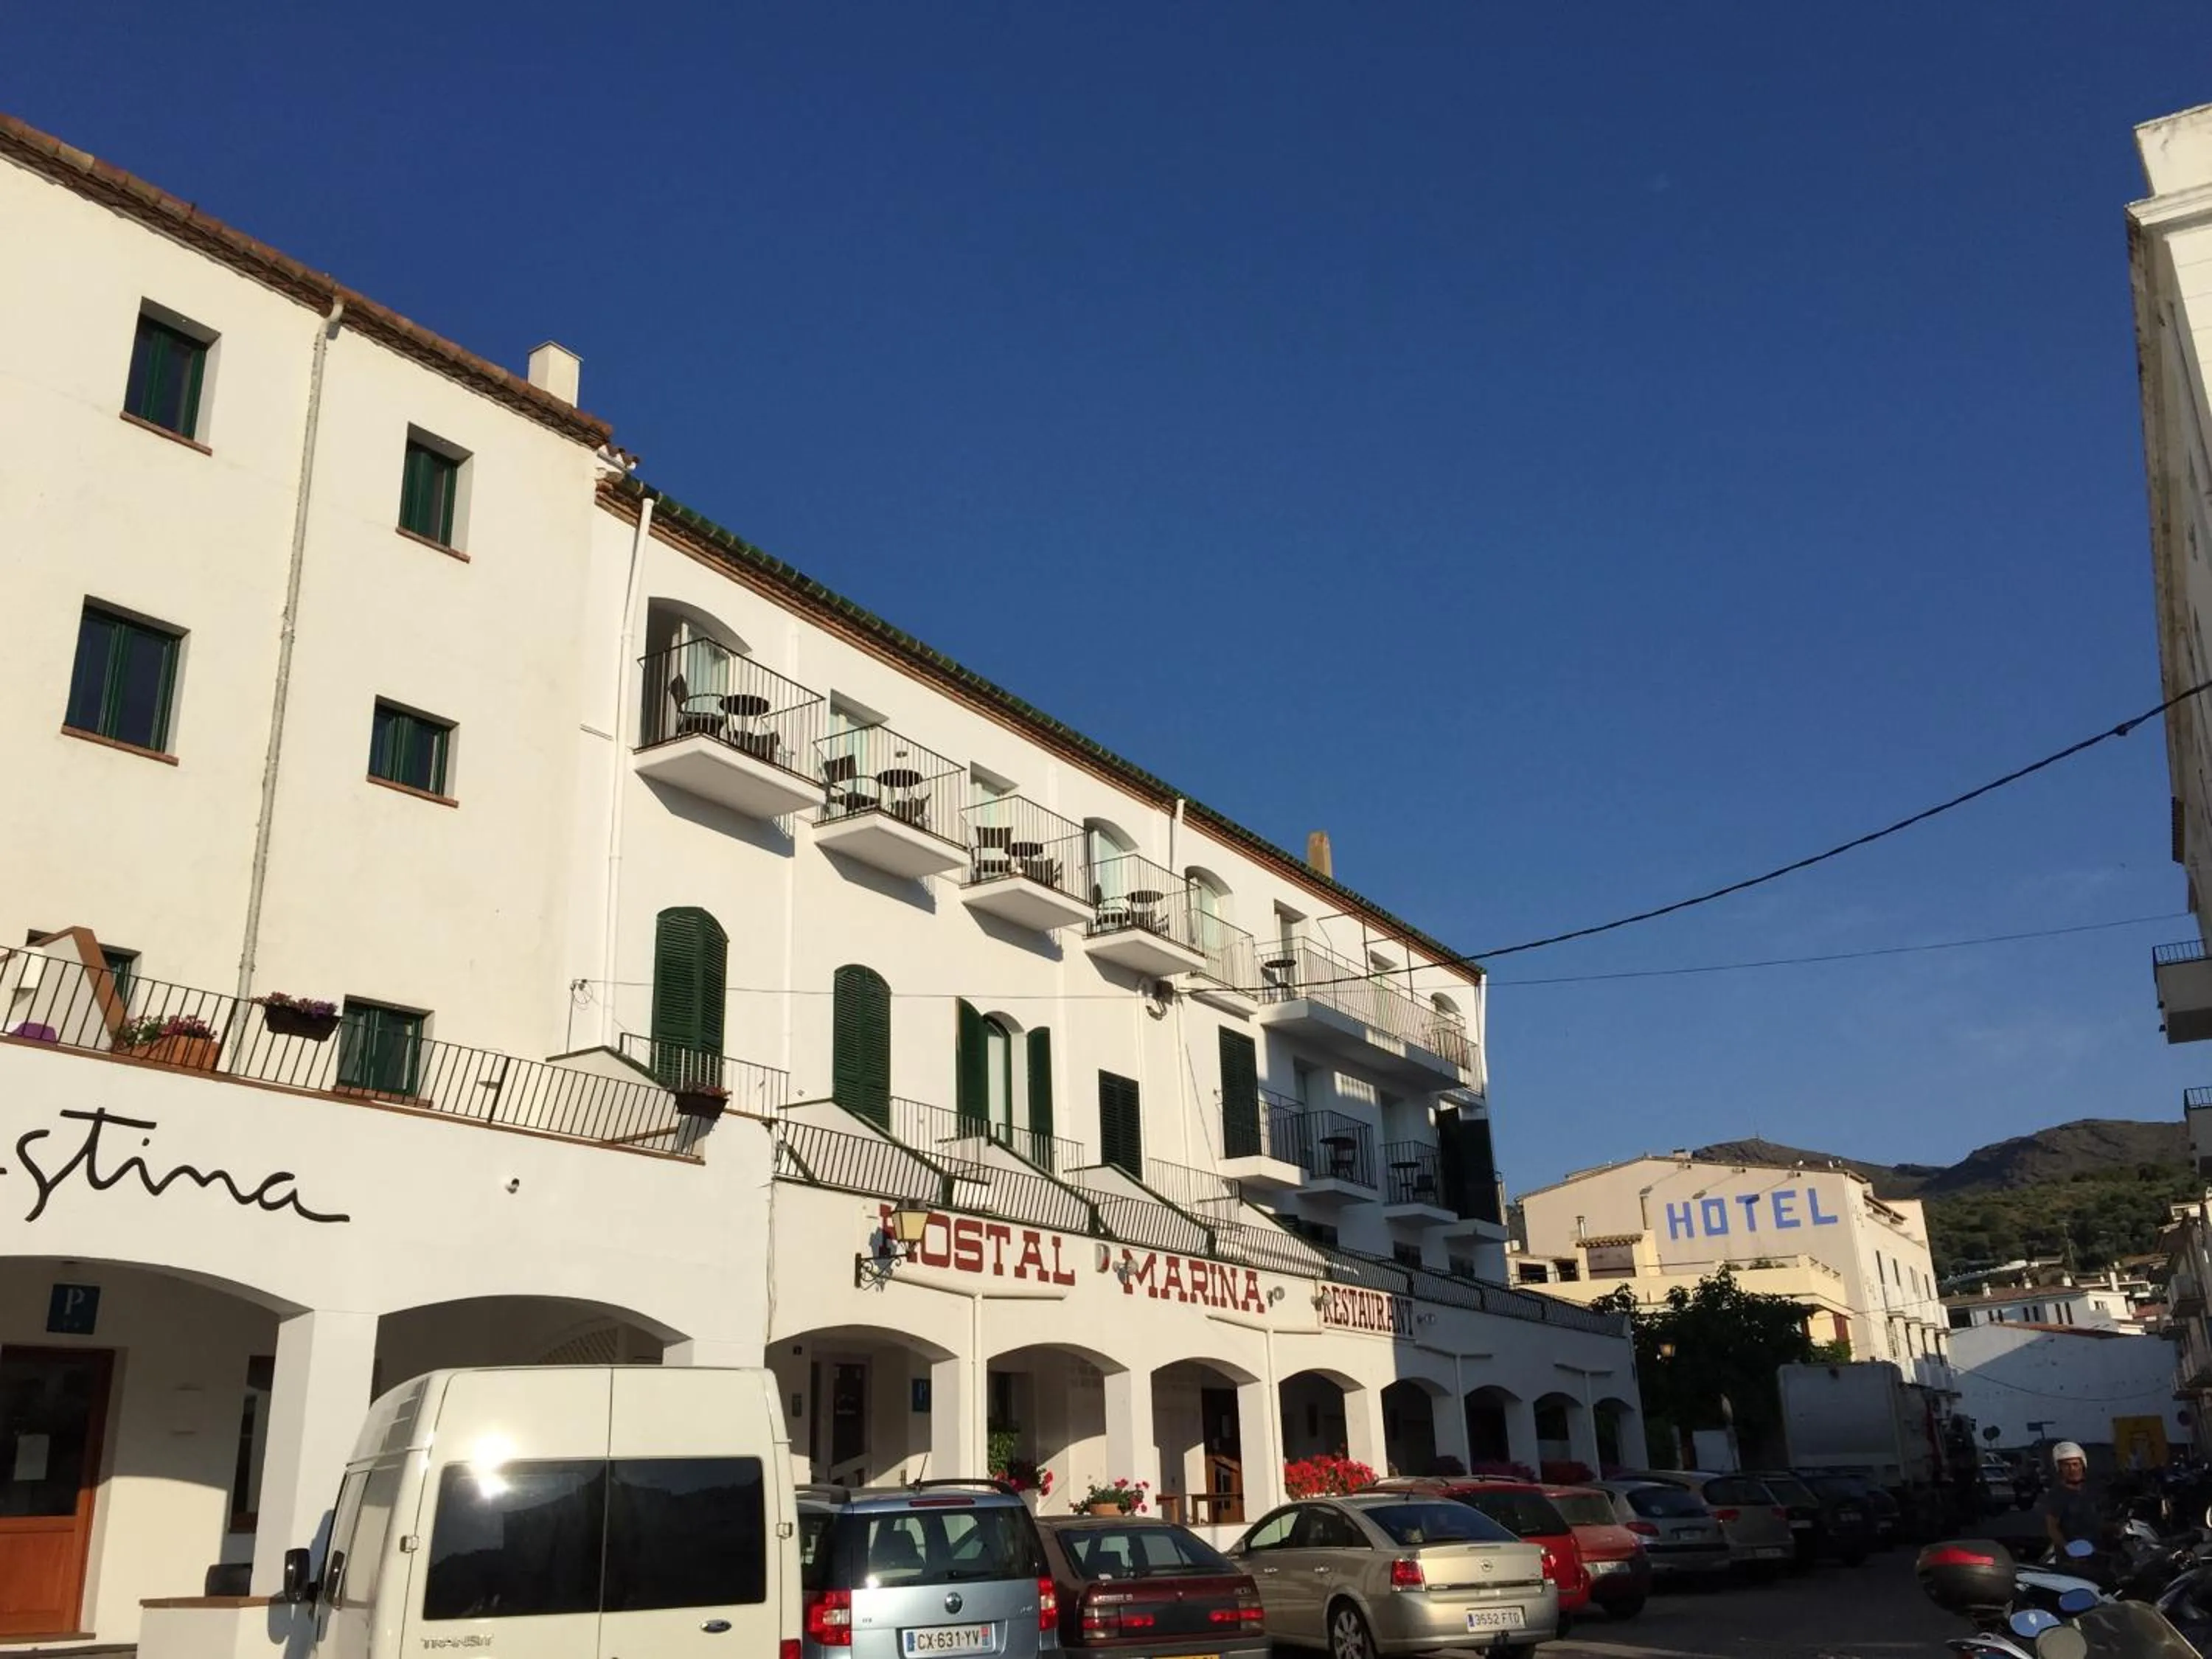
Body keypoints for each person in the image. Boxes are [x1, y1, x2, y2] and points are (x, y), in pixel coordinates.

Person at [2039, 1441, 2104, 1557]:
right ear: (2060, 1468)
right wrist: (2068, 1548)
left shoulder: (2092, 1490)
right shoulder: (2056, 1495)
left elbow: (2098, 1518)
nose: (2072, 1469)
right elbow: (2052, 1528)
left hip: (2097, 1549)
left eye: (2075, 1464)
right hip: (2074, 1556)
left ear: (2082, 1465)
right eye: (2066, 1465)